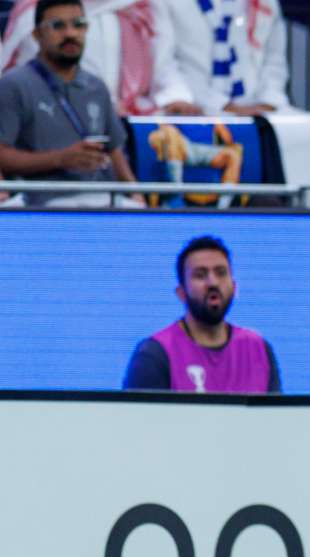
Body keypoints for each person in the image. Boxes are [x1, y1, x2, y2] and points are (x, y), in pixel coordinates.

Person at [0, 0, 142, 207]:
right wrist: (60, 159)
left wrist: (135, 193)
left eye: (79, 24)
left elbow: (113, 150)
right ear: (36, 34)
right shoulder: (14, 85)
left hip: (103, 200)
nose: (71, 34)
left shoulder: (96, 86)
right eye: (58, 26)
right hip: (42, 202)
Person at [123, 235, 282, 393]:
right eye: (200, 275)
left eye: (221, 273)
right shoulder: (154, 354)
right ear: (181, 293)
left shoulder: (258, 349)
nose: (213, 283)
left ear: (234, 287)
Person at [0, 0, 201, 116]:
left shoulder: (143, 8)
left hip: (133, 120)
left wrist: (175, 97)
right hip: (60, 118)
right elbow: (31, 76)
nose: (71, 31)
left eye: (78, 25)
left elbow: (163, 66)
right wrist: (98, 105)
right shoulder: (43, 11)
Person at [161, 0, 291, 116]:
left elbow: (274, 61)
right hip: (192, 107)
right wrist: (180, 97)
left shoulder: (267, 3)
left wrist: (268, 102)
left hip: (259, 112)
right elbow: (163, 61)